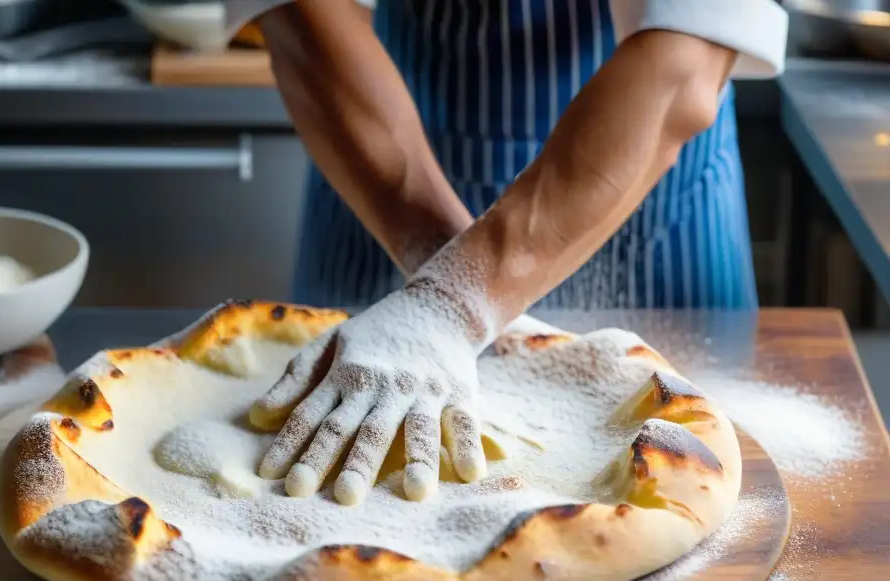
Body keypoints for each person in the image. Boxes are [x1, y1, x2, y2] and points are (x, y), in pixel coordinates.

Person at [216, 1, 788, 505]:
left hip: (653, 189)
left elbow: (685, 62)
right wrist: (434, 308)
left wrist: (454, 303)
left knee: (681, 476)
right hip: (373, 162)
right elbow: (304, 18)